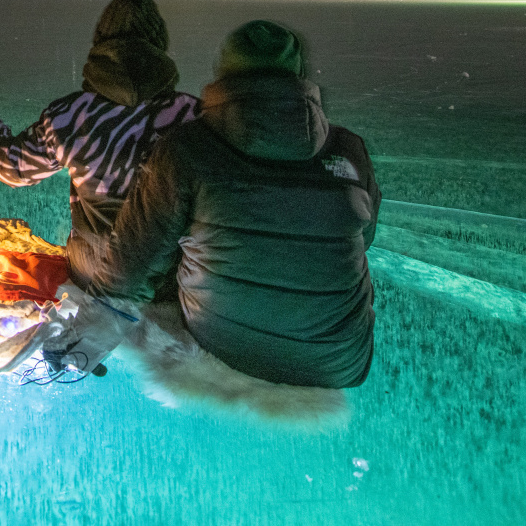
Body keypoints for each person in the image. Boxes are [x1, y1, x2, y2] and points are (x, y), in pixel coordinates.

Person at [73, 20, 381, 389]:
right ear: (297, 74)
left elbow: (136, 257)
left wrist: (86, 340)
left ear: (223, 73)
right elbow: (365, 238)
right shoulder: (349, 149)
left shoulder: (186, 148)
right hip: (340, 359)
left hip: (224, 347)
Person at [0, 0, 201, 271]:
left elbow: (9, 168)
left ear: (100, 43)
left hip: (95, 268)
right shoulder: (192, 115)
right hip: (169, 273)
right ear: (160, 47)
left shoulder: (71, 115)